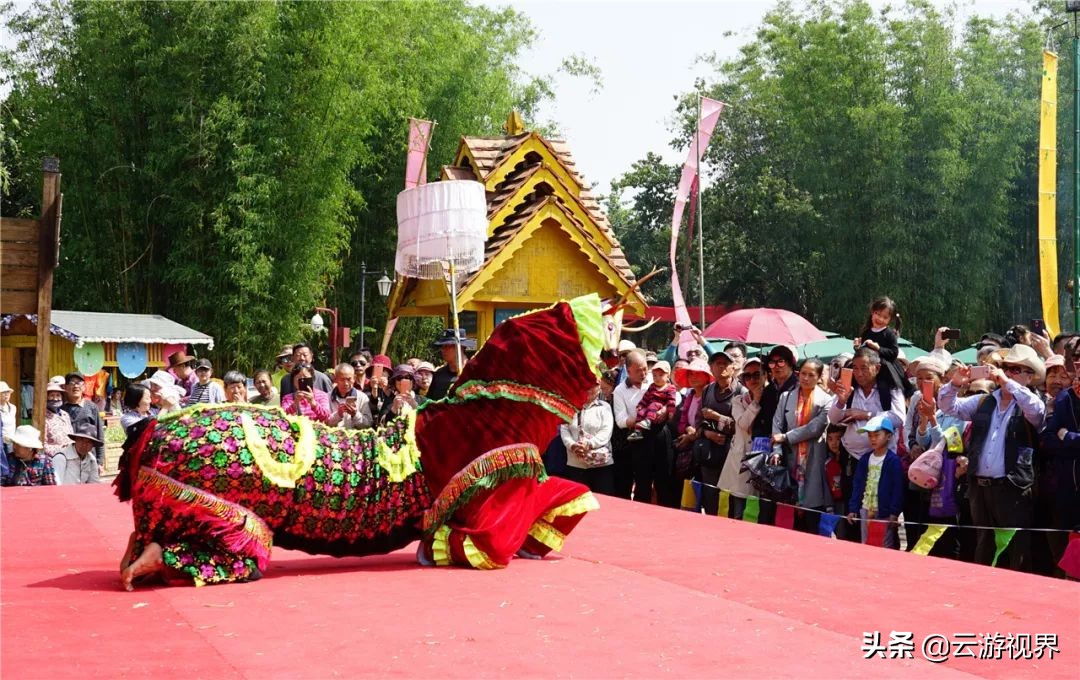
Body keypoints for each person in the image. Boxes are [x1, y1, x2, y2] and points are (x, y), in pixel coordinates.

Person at [938, 343, 1045, 570]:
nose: (1008, 373)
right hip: (981, 487)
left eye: (1017, 370)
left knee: (1016, 547)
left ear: (1030, 376)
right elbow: (949, 407)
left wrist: (1009, 383)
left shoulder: (1032, 402)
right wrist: (956, 382)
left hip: (1013, 486)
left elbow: (1036, 411)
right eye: (1007, 368)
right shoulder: (985, 401)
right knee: (984, 543)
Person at [771, 357, 832, 533]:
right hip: (789, 459)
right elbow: (776, 426)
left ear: (819, 377)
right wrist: (777, 451)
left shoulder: (826, 400)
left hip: (813, 459)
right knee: (787, 515)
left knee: (812, 514)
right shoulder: (786, 397)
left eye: (811, 375)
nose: (805, 378)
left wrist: (786, 437)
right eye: (803, 374)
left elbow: (814, 428)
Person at [827, 347, 906, 461]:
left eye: (864, 368)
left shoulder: (890, 390)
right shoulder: (849, 389)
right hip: (851, 456)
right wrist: (841, 401)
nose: (859, 374)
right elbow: (833, 419)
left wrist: (867, 415)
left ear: (877, 368)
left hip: (882, 458)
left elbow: (898, 419)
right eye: (855, 368)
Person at [1042, 357, 1080, 575]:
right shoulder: (1065, 397)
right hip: (1069, 486)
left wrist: (1068, 437)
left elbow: (1060, 436)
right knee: (1070, 557)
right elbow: (1048, 439)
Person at [696, 350, 743, 515]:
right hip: (709, 453)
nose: (721, 367)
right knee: (710, 497)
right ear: (711, 368)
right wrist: (708, 434)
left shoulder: (741, 392)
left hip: (732, 453)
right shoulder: (707, 390)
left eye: (725, 363)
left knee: (730, 498)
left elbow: (742, 426)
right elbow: (698, 421)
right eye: (717, 363)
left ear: (733, 367)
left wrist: (716, 417)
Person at [846, 415, 904, 548]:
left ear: (888, 436)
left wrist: (894, 513)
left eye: (876, 435)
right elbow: (858, 485)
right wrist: (853, 508)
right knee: (866, 543)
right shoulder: (865, 460)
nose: (872, 439)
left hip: (884, 511)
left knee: (884, 544)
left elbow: (898, 489)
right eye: (870, 435)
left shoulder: (893, 461)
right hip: (865, 509)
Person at [718, 358, 763, 519]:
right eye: (748, 376)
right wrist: (756, 402)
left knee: (757, 511)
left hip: (762, 460)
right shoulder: (738, 400)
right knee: (738, 508)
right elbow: (743, 423)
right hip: (740, 459)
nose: (752, 380)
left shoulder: (773, 397)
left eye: (757, 374)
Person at [560, 381, 615, 495]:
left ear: (599, 387)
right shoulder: (569, 406)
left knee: (604, 503)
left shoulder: (605, 407)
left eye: (593, 385)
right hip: (575, 463)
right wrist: (573, 445)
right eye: (586, 383)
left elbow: (606, 432)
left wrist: (589, 444)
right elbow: (564, 429)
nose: (589, 388)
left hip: (601, 465)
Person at [854, 296, 914, 399]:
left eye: (885, 317)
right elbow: (863, 353)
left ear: (890, 319)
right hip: (867, 367)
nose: (880, 319)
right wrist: (858, 348)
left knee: (884, 387)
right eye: (877, 314)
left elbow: (894, 353)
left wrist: (878, 348)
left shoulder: (889, 334)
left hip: (886, 368)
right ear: (872, 312)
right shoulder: (866, 332)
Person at [611, 349, 651, 499]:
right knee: (624, 484)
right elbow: (620, 420)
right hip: (631, 440)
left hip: (653, 439)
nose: (643, 373)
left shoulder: (654, 382)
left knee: (645, 484)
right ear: (628, 371)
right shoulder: (620, 391)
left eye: (645, 369)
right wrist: (641, 419)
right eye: (638, 370)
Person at [672, 358, 713, 495]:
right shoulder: (690, 397)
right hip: (688, 449)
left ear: (707, 376)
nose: (693, 377)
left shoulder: (710, 397)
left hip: (705, 450)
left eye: (697, 373)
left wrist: (693, 435)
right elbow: (683, 422)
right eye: (690, 374)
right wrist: (687, 429)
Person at [61, 372, 105, 474]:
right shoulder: (61, 409)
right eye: (72, 383)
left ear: (84, 387)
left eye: (79, 383)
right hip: (68, 458)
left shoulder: (92, 407)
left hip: (89, 457)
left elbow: (100, 435)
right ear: (66, 387)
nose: (76, 386)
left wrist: (99, 461)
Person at [627, 361, 676, 442]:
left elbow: (671, 401)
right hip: (649, 408)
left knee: (654, 404)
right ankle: (638, 431)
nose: (657, 378)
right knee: (641, 412)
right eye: (655, 376)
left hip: (659, 408)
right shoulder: (652, 386)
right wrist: (640, 405)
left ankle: (648, 421)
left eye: (661, 375)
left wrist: (671, 411)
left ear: (668, 376)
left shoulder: (670, 388)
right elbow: (645, 398)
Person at [426, 330, 476, 400]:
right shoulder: (439, 375)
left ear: (460, 347)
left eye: (447, 346)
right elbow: (429, 402)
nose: (443, 350)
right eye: (442, 347)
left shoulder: (475, 372)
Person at [326, 362, 373, 429]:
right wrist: (338, 414)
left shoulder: (362, 397)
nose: (346, 383)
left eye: (349, 379)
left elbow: (368, 424)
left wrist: (355, 415)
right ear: (335, 379)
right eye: (342, 379)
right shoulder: (327, 397)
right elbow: (324, 423)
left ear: (354, 378)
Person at [45, 378, 75, 462]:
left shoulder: (65, 415)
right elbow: (42, 444)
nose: (55, 399)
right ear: (46, 397)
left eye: (58, 395)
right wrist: (61, 449)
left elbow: (71, 435)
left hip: (70, 457)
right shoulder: (43, 417)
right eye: (51, 395)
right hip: (53, 460)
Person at [0, 381, 16, 460]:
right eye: (3, 392)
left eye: (8, 392)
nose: (6, 394)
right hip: (1, 442)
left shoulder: (13, 408)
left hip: (11, 441)